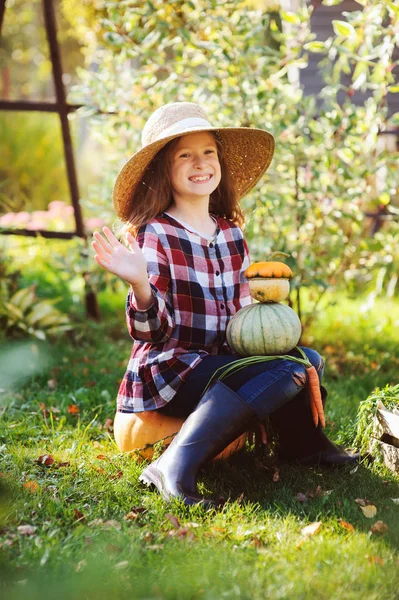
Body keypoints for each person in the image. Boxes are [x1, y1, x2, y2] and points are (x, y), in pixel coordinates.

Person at [92, 102, 358, 507]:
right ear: (164, 167)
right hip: (172, 370)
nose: (200, 163)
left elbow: (239, 321)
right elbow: (152, 333)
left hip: (223, 362)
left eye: (208, 152)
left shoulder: (232, 233)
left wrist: (272, 326)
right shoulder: (157, 233)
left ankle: (302, 444)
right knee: (285, 369)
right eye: (185, 154)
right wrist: (140, 284)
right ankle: (172, 464)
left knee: (307, 361)